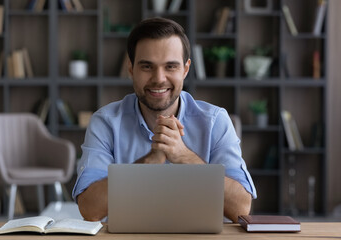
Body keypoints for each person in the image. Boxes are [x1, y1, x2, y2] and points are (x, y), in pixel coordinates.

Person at [72, 17, 256, 223]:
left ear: (185, 69)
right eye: (147, 67)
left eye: (170, 66)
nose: (159, 78)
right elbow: (89, 209)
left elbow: (241, 209)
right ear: (131, 69)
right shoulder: (105, 122)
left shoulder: (215, 121)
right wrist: (148, 162)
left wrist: (185, 157)